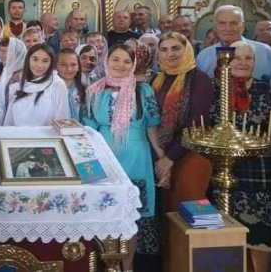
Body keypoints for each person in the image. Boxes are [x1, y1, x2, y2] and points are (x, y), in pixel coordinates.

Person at [81, 43, 164, 271]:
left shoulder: (143, 90)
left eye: (127, 61)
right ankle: (109, 265)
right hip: (104, 154)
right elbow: (88, 128)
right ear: (106, 62)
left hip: (137, 156)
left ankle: (127, 267)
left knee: (131, 217)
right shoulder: (94, 90)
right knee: (104, 210)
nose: (120, 65)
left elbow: (151, 125)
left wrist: (160, 153)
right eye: (115, 60)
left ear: (133, 65)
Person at [210, 41, 271, 272]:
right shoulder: (215, 90)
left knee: (262, 235)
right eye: (237, 57)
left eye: (248, 58)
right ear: (225, 61)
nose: (243, 63)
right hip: (222, 173)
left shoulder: (264, 90)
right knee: (224, 235)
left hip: (260, 172)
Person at [152, 32, 213, 211]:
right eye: (164, 49)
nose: (170, 54)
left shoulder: (199, 79)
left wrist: (170, 158)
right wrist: (161, 157)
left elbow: (196, 122)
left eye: (176, 48)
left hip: (189, 154)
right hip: (160, 155)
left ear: (187, 50)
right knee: (165, 211)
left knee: (187, 211)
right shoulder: (157, 79)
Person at [196, 5, 271, 82]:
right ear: (215, 27)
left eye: (233, 23)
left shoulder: (265, 51)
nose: (228, 28)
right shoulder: (204, 56)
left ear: (243, 26)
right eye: (222, 23)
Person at [3, 44, 68, 126]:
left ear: (51, 63)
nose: (39, 65)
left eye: (45, 61)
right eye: (35, 59)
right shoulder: (18, 84)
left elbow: (62, 119)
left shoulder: (57, 84)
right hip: (18, 133)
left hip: (47, 134)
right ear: (28, 60)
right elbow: (9, 120)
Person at [0, 37, 27, 112]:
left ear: (16, 54)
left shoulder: (20, 77)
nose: (0, 54)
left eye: (4, 51)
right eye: (0, 50)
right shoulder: (6, 70)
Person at [56, 48, 85, 120]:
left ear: (79, 67)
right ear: (56, 66)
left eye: (73, 64)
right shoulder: (50, 90)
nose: (69, 69)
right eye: (63, 65)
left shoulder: (85, 90)